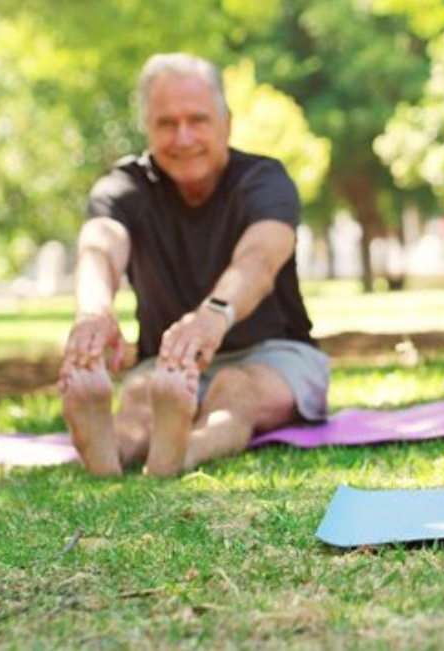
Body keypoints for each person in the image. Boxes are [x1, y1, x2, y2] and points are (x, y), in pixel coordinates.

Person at [59, 53, 330, 477]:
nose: (183, 137)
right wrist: (94, 311)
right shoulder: (124, 186)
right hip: (168, 365)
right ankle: (109, 451)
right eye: (166, 123)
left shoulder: (264, 179)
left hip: (273, 354)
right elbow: (101, 248)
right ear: (147, 127)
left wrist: (213, 315)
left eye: (197, 120)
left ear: (227, 122)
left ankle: (181, 453)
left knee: (235, 390)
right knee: (141, 400)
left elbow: (259, 260)